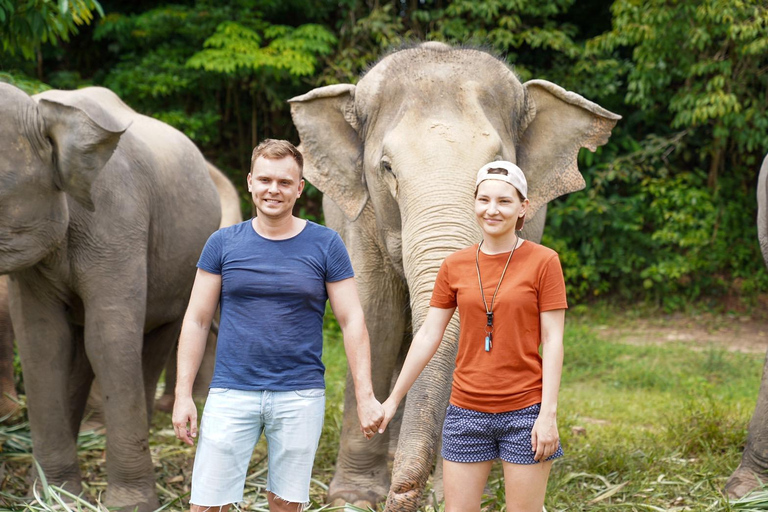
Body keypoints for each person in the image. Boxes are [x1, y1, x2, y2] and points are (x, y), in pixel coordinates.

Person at [172, 139, 384, 512]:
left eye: (285, 182)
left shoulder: (326, 244)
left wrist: (366, 397)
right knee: (206, 504)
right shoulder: (222, 244)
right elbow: (197, 319)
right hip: (230, 392)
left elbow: (352, 321)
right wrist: (182, 393)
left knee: (286, 504)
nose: (274, 190)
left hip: (299, 394)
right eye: (266, 180)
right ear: (251, 182)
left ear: (300, 188)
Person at [379, 161, 567, 512]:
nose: (492, 210)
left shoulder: (544, 262)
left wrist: (548, 416)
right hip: (465, 411)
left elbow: (554, 340)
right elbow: (428, 335)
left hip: (524, 411)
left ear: (523, 207)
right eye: (484, 200)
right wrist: (393, 400)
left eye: (504, 201)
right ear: (475, 202)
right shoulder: (454, 265)